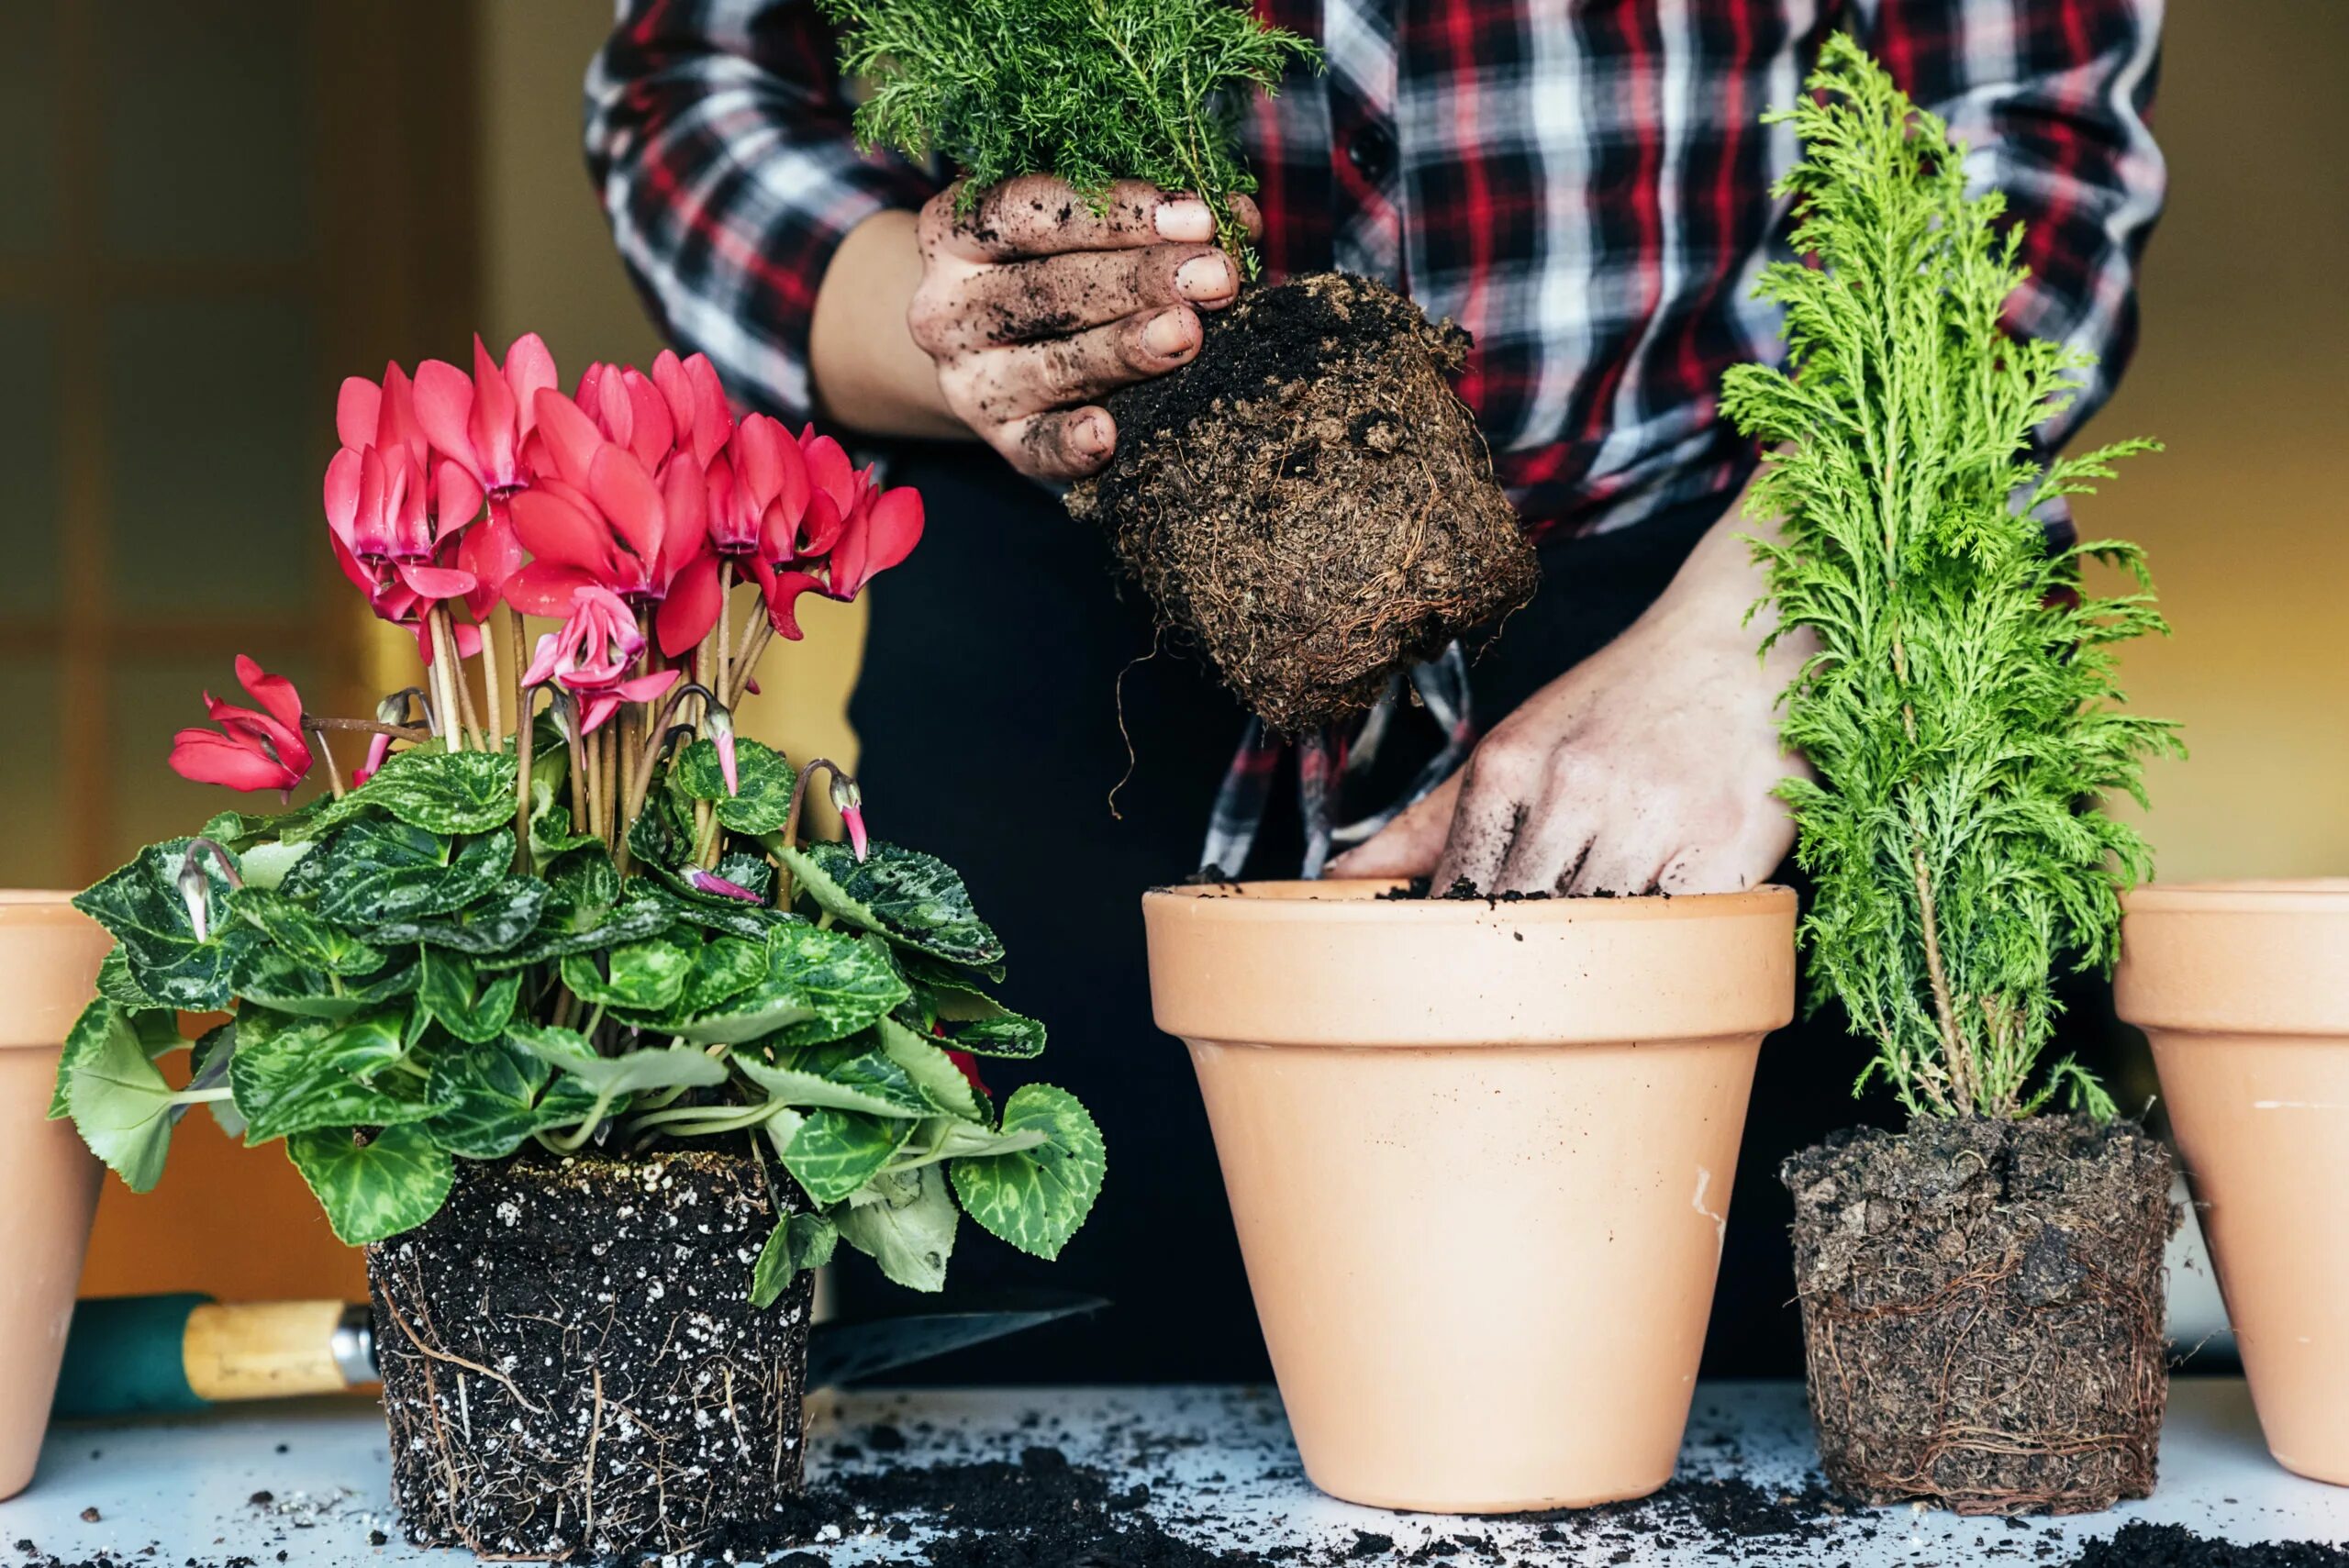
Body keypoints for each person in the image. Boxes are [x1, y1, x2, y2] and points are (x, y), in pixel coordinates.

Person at [584, 0, 2163, 1381]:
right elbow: (697, 95)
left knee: (1761, 1420)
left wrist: (1777, 622)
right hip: (1079, 692)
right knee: (1050, 1432)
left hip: (1729, 654)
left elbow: (2024, 134)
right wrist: (967, 324)